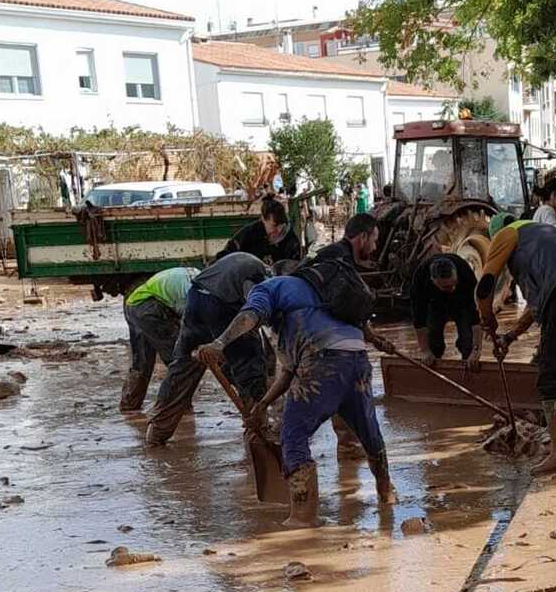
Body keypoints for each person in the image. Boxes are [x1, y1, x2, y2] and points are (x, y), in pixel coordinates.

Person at [193, 215, 394, 528]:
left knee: (293, 436)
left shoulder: (269, 288)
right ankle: (386, 494)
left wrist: (219, 343)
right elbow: (288, 374)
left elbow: (250, 317)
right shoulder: (318, 297)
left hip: (322, 365)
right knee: (369, 433)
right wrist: (260, 406)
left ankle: (303, 518)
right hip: (356, 363)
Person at [476, 213, 556, 476]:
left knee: (552, 380)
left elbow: (485, 285)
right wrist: (510, 336)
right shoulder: (544, 237)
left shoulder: (506, 234)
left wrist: (488, 321)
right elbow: (539, 305)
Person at [145, 250, 270, 445]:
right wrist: (224, 342)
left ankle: (157, 432)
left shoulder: (240, 261)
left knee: (182, 367)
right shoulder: (258, 276)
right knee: (249, 366)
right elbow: (251, 310)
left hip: (195, 302)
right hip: (220, 306)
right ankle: (258, 432)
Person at [119, 265, 199, 412]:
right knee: (178, 357)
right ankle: (174, 406)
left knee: (141, 359)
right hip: (148, 308)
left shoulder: (201, 282)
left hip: (135, 302)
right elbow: (188, 326)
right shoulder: (195, 295)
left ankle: (129, 407)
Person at [409, 253, 483, 369]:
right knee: (433, 342)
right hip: (435, 304)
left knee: (467, 341)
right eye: (446, 287)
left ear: (456, 275)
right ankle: (434, 376)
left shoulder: (465, 273)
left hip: (461, 303)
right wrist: (425, 351)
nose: (452, 288)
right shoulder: (420, 277)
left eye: (454, 284)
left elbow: (476, 318)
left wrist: (476, 350)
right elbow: (419, 320)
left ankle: (469, 372)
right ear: (433, 280)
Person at [220, 195, 301, 269]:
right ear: (263, 219)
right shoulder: (250, 233)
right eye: (274, 226)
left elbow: (295, 267)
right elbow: (227, 255)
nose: (279, 231)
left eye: (282, 226)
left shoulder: (291, 240)